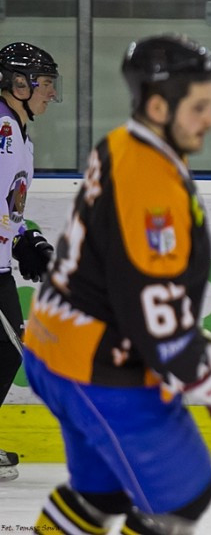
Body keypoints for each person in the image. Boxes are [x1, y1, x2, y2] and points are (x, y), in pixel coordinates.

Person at [21, 34, 211, 533]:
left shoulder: (123, 142)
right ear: (157, 104)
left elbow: (116, 271)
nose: (210, 120)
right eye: (199, 107)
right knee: (182, 497)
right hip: (97, 366)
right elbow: (150, 304)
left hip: (57, 344)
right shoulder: (148, 180)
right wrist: (204, 368)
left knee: (101, 493)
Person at [0, 41, 61, 482]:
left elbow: (7, 209)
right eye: (45, 83)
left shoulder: (19, 135)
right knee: (6, 353)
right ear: (18, 84)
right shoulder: (2, 132)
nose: (51, 93)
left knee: (6, 355)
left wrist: (27, 240)